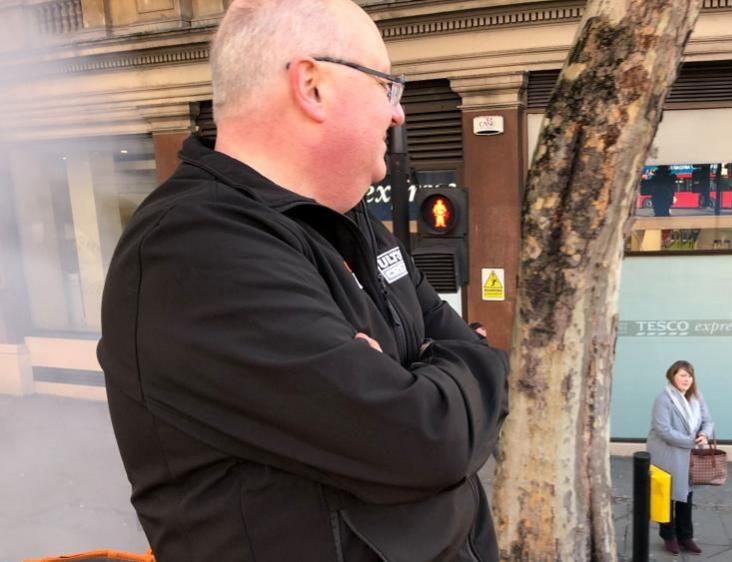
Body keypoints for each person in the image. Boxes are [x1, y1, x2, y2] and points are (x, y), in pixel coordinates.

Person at [96, 1, 509, 561]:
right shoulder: (195, 249)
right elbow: (428, 442)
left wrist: (440, 368)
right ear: (311, 85)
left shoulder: (355, 221)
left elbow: (460, 353)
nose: (399, 114)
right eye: (388, 87)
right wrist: (459, 367)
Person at [647, 360, 715, 555]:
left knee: (686, 495)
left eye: (689, 375)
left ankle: (686, 536)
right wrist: (691, 442)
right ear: (672, 376)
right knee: (667, 495)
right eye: (682, 375)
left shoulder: (696, 397)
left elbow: (708, 421)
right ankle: (669, 537)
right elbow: (663, 430)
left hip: (688, 453)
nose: (687, 379)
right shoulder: (664, 399)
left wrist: (704, 435)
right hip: (667, 452)